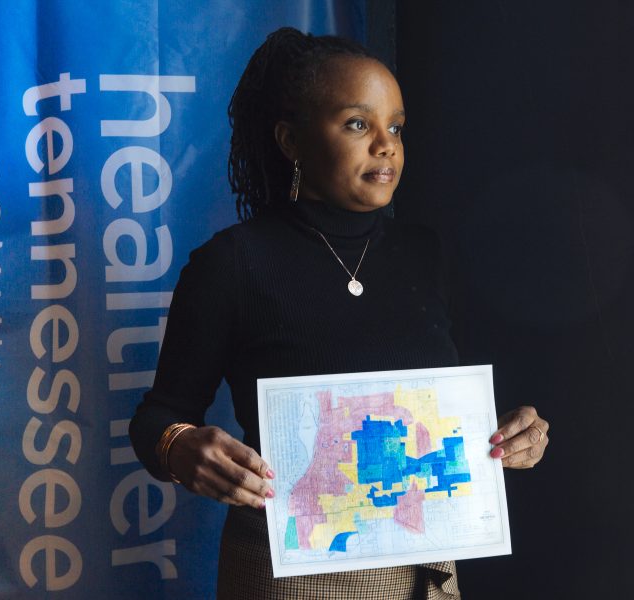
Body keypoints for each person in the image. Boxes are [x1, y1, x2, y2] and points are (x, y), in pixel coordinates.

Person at [129, 27, 550, 600]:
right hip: (294, 575)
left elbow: (455, 405)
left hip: (432, 569)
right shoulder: (232, 264)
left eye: (395, 127)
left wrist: (514, 433)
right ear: (291, 141)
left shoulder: (424, 255)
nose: (386, 145)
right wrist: (179, 445)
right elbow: (159, 417)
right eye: (358, 124)